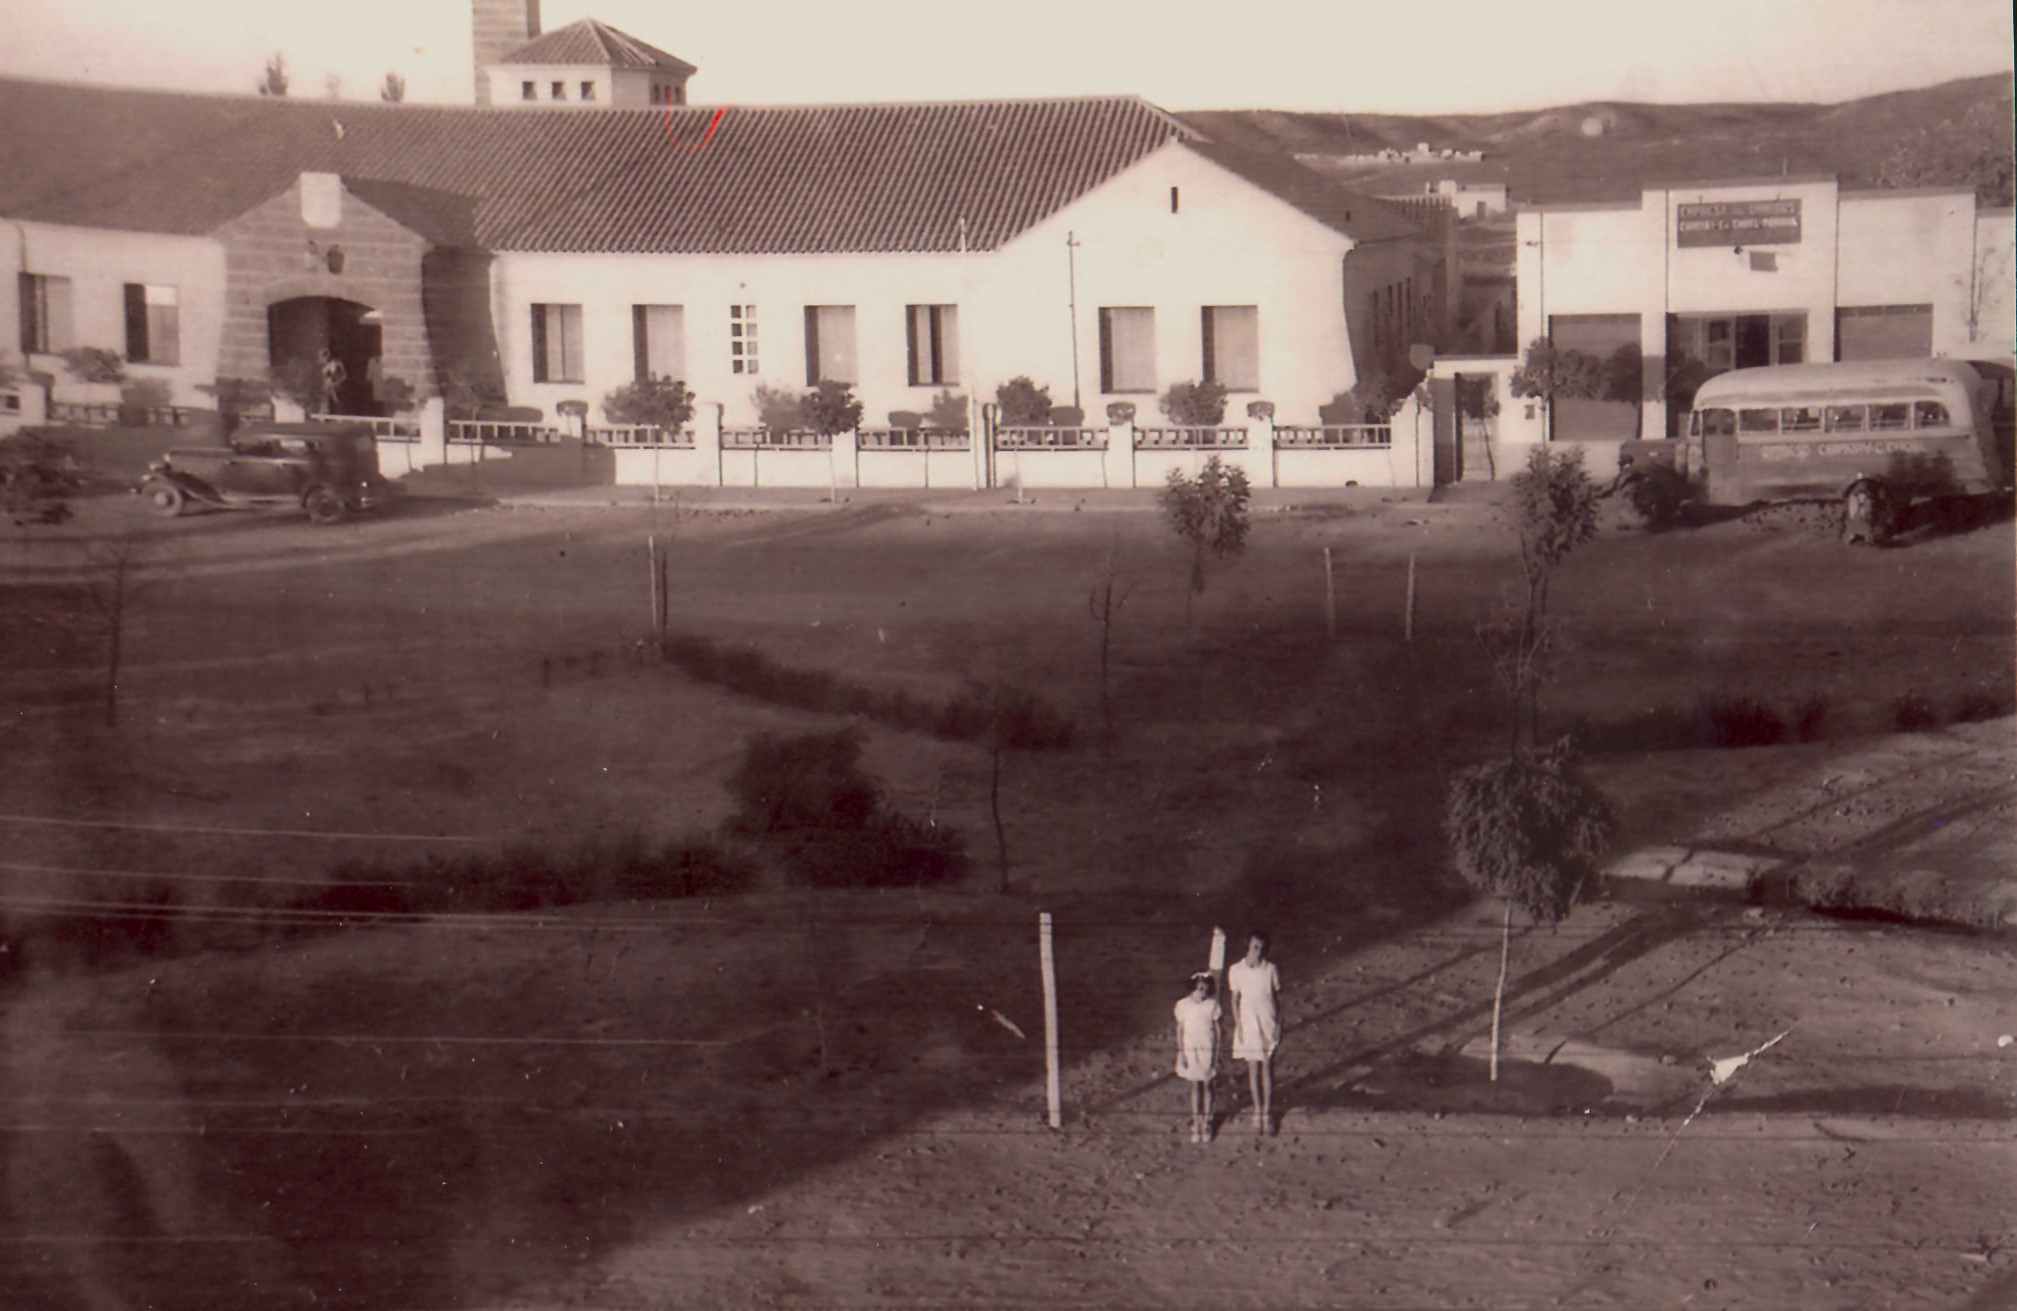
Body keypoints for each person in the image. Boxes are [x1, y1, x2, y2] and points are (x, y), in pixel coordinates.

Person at [1227, 931, 1281, 1135]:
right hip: (1249, 1025)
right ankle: (1257, 1112)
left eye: (1261, 948)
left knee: (1267, 1068)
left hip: (1267, 1021)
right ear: (1247, 947)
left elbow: (1276, 1000)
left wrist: (1278, 1024)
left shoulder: (1271, 970)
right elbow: (1234, 1001)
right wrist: (1239, 1025)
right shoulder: (1236, 970)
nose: (1257, 952)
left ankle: (1267, 1113)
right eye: (1254, 947)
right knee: (1253, 1069)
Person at [1172, 972, 1221, 1144]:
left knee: (1208, 1085)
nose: (1202, 993)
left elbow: (1218, 1031)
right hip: (1190, 1049)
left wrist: (1217, 1052)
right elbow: (1180, 1030)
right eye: (1200, 989)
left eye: (1206, 990)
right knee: (1195, 1085)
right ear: (1193, 988)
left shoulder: (1212, 1005)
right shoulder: (1183, 1006)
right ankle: (1196, 1120)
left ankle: (1207, 1120)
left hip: (1207, 1048)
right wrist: (1181, 1052)